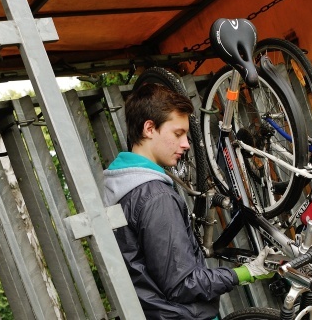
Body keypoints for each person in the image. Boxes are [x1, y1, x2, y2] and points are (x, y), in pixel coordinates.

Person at [104, 83, 272, 320]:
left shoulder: (124, 185)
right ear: (149, 128)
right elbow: (183, 284)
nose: (185, 143)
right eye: (178, 133)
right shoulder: (155, 196)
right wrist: (245, 273)